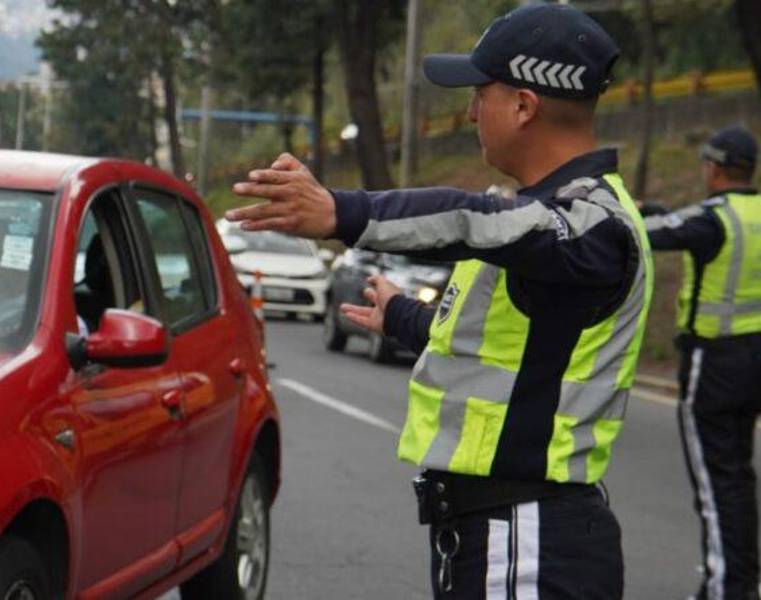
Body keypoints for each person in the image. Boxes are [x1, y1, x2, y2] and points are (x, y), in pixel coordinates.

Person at [228, 4, 652, 598]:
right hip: (496, 532)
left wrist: (342, 213)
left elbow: (472, 220)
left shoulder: (590, 224)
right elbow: (515, 353)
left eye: (482, 92)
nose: (472, 110)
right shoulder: (551, 218)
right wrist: (403, 317)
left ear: (524, 105)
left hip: (527, 537)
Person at [642, 125, 761, 600]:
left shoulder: (713, 218)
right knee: (738, 479)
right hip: (755, 361)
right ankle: (741, 584)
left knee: (716, 485)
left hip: (714, 365)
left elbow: (652, 232)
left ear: (712, 167)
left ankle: (725, 589)